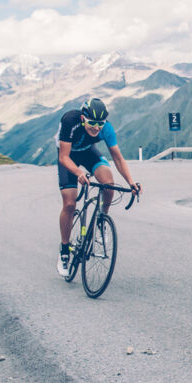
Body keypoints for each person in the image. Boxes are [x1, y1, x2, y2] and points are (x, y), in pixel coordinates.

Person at [56, 97, 141, 276]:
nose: (96, 127)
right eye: (92, 122)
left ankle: (102, 220)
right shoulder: (70, 121)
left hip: (89, 153)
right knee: (70, 204)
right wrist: (79, 173)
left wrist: (131, 182)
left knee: (109, 185)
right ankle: (64, 251)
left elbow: (117, 158)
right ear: (83, 118)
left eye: (100, 123)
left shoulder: (106, 129)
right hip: (69, 156)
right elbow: (63, 157)